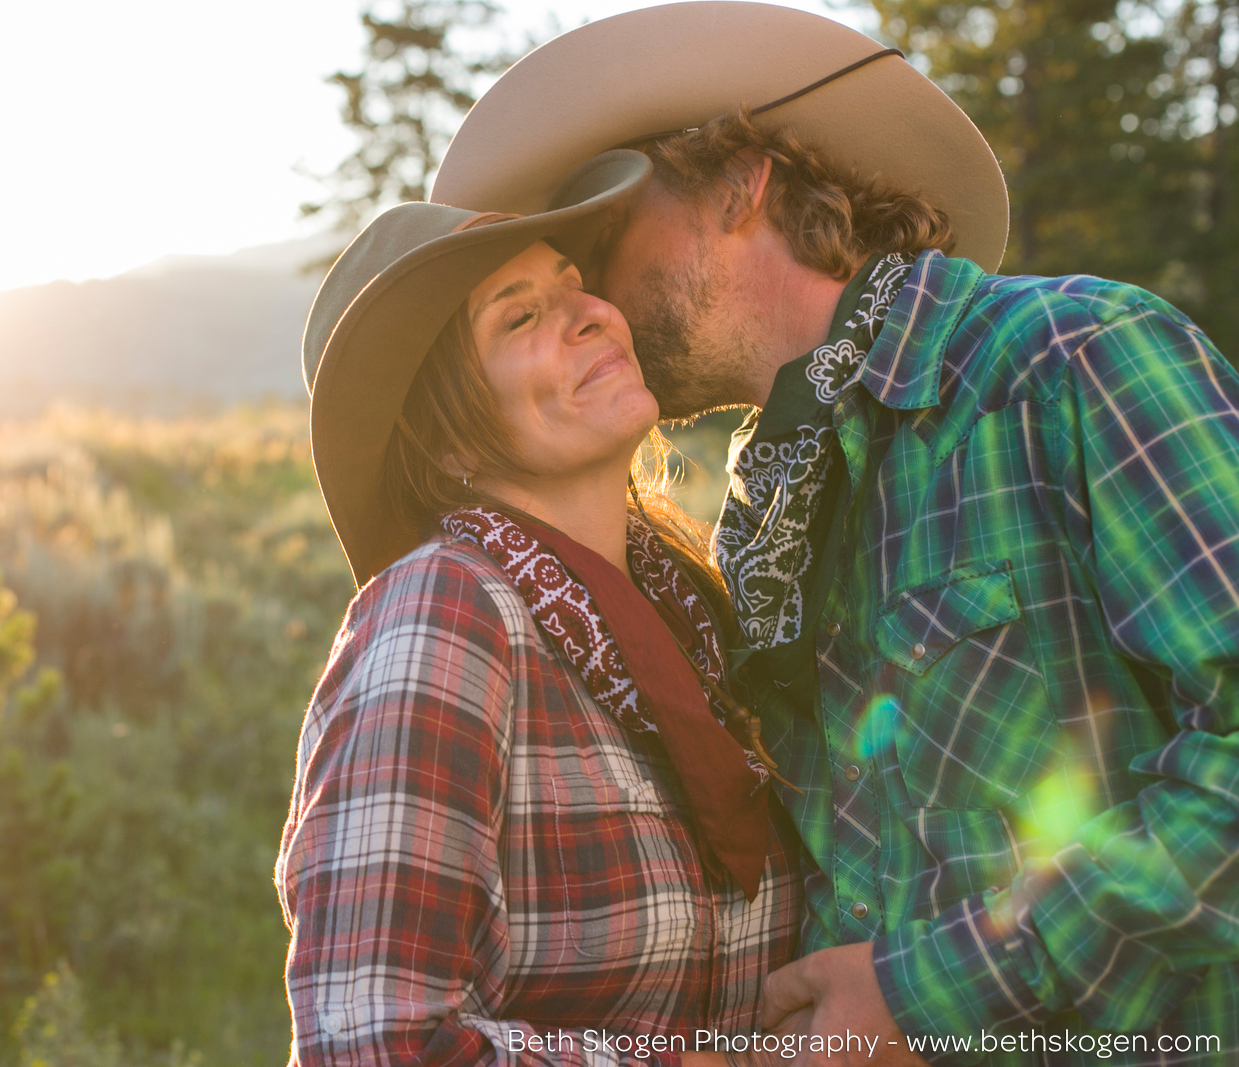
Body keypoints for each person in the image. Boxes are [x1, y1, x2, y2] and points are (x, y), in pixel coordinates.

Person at [430, 5, 1239, 1066]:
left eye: (599, 241)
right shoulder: (761, 515)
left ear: (737, 182)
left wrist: (926, 991)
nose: (596, 304)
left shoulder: (1068, 360)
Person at [276, 150, 808, 1067]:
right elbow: (368, 1048)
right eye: (522, 315)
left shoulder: (691, 615)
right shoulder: (444, 617)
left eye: (575, 285)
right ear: (443, 442)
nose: (594, 314)